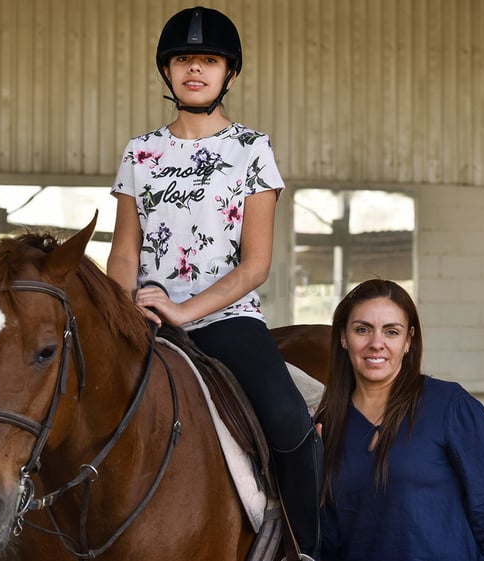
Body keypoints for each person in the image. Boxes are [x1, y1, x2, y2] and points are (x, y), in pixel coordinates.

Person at [106, 6, 322, 560]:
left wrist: (186, 310)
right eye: (183, 60)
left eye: (208, 60)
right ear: (167, 71)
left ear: (229, 72)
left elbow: (255, 265)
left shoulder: (253, 150)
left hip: (228, 320)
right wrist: (124, 307)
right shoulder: (140, 153)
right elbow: (125, 250)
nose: (194, 70)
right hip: (146, 318)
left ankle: (307, 550)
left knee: (291, 423)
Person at [317, 279, 484, 560]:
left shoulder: (451, 407)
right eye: (362, 330)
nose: (377, 344)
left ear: (408, 340)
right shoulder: (328, 425)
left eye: (391, 332)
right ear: (343, 337)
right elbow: (330, 540)